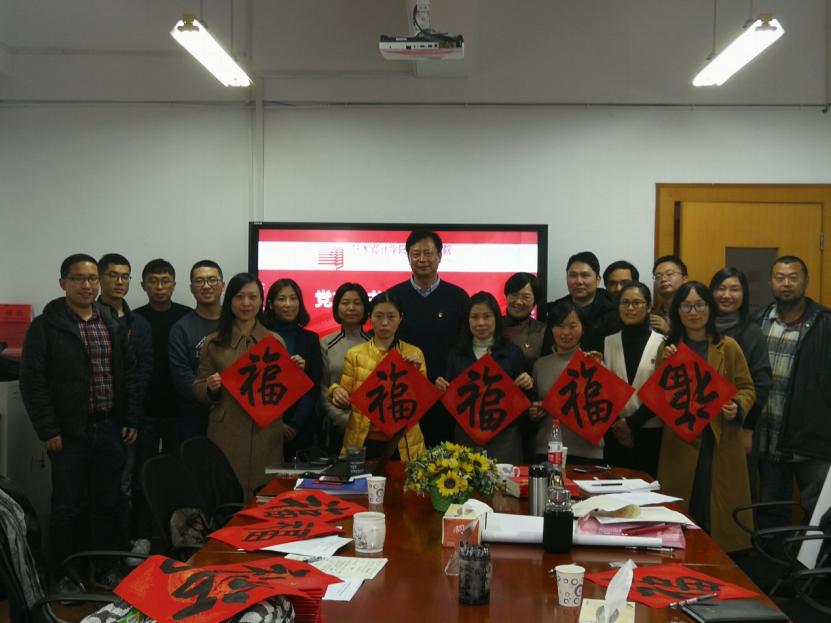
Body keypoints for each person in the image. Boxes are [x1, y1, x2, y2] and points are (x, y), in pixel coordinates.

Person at [20, 254, 138, 592]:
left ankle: (105, 568)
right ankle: (65, 574)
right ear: (63, 283)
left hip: (109, 428)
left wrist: (130, 417)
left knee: (108, 502)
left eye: (92, 278)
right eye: (79, 278)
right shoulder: (46, 326)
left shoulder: (111, 322)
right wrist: (48, 429)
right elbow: (32, 382)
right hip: (68, 433)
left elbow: (128, 374)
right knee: (67, 505)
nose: (87, 285)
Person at [657, 281, 755, 552]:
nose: (693, 312)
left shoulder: (728, 346)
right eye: (686, 306)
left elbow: (747, 387)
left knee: (716, 509)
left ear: (710, 309)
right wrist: (665, 363)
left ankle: (719, 562)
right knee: (684, 510)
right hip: (682, 440)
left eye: (699, 305)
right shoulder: (669, 348)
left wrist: (737, 405)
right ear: (677, 311)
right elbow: (659, 396)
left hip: (718, 439)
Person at [193, 273, 289, 498]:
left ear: (261, 301)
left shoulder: (274, 341)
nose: (246, 303)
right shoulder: (214, 342)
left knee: (265, 496)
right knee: (226, 494)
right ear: (229, 301)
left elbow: (283, 391)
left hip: (266, 433)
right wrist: (210, 387)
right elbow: (198, 387)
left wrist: (294, 370)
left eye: (252, 297)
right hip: (227, 431)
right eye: (239, 297)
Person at [754, 256, 831, 530]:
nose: (786, 283)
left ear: (806, 281)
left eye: (793, 277)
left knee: (821, 516)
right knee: (770, 516)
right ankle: (775, 559)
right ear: (770, 282)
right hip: (768, 440)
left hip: (814, 442)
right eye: (780, 277)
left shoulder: (825, 323)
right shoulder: (758, 322)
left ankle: (814, 561)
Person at [388, 230, 469, 446]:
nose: (422, 259)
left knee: (445, 458)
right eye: (416, 254)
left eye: (428, 253)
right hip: (404, 394)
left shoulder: (458, 297)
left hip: (446, 394)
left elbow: (465, 345)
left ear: (439, 256)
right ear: (408, 258)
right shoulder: (394, 297)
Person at [97, 253, 153, 562]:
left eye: (125, 276)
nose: (119, 282)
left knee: (126, 486)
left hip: (129, 420)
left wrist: (132, 416)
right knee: (95, 490)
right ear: (100, 279)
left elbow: (142, 372)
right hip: (95, 419)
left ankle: (122, 549)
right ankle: (97, 556)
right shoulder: (87, 319)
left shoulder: (138, 324)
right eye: (113, 275)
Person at [435, 291, 533, 465]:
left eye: (487, 316)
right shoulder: (456, 354)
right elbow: (450, 400)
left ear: (496, 319)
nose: (481, 323)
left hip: (505, 439)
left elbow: (523, 402)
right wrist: (440, 388)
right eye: (474, 317)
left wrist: (528, 383)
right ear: (467, 321)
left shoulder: (512, 352)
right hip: (466, 437)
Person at [328, 291, 427, 462]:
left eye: (391, 317)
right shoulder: (355, 354)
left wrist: (415, 375)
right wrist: (335, 392)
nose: (384, 323)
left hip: (403, 441)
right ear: (370, 318)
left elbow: (422, 403)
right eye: (379, 316)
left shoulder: (414, 354)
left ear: (400, 318)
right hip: (364, 440)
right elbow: (346, 400)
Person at [709, 267, 772, 497]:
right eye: (721, 288)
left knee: (736, 490)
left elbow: (761, 385)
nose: (727, 295)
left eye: (734, 289)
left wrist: (747, 428)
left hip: (738, 425)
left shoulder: (752, 332)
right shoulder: (700, 329)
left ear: (744, 294)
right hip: (704, 425)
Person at [602, 282, 664, 477]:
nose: (630, 308)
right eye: (625, 302)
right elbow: (604, 389)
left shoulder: (663, 343)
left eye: (637, 302)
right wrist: (619, 425)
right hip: (615, 431)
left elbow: (663, 392)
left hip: (651, 430)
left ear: (648, 306)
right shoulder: (608, 342)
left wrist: (631, 423)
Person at [532, 300, 605, 464]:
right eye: (560, 326)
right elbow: (536, 407)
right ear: (551, 328)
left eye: (572, 326)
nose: (566, 332)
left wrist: (599, 369)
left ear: (583, 328)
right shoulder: (540, 365)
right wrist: (534, 412)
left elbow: (606, 407)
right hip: (547, 449)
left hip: (588, 451)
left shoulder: (594, 361)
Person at [134, 259, 190, 456]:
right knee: (144, 465)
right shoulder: (134, 319)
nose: (159, 287)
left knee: (178, 465)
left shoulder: (187, 317)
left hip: (180, 408)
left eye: (165, 281)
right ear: (143, 285)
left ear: (174, 285)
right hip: (145, 409)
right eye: (153, 281)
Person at [264, 278, 322, 460]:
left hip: (302, 427)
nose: (288, 304)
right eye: (282, 299)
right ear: (271, 304)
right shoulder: (260, 336)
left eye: (293, 298)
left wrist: (295, 424)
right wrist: (276, 424)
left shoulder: (310, 339)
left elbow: (314, 385)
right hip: (265, 427)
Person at [169, 260, 225, 443]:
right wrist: (209, 393)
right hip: (194, 418)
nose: (206, 286)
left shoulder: (237, 323)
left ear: (222, 285)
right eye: (199, 281)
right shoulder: (181, 328)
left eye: (212, 280)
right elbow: (182, 376)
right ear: (192, 288)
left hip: (233, 415)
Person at [319, 283, 371, 456]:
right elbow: (322, 387)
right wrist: (343, 420)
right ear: (337, 307)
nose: (351, 308)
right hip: (336, 427)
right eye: (345, 302)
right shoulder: (326, 343)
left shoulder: (375, 343)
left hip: (371, 429)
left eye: (357, 303)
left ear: (365, 308)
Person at [546, 251, 620, 353]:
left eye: (585, 275)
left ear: (598, 280)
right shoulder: (556, 310)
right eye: (573, 275)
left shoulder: (613, 313)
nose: (578, 281)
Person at [502, 272, 547, 366]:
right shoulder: (494, 326)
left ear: (535, 300)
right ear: (506, 296)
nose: (518, 302)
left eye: (525, 297)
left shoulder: (543, 331)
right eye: (514, 295)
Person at [650, 255, 688, 335]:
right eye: (658, 276)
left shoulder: (693, 311)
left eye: (669, 274)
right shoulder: (654, 315)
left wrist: (668, 331)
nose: (663, 279)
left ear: (684, 279)